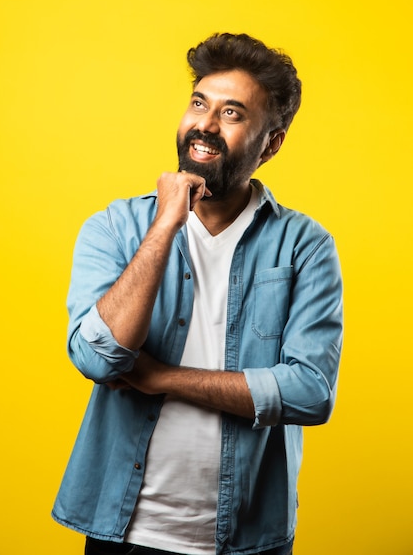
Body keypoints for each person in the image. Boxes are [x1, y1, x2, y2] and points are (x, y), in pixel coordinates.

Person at [52, 33, 343, 555]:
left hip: (250, 535)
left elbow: (310, 392)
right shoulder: (117, 227)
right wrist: (165, 225)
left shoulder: (305, 245)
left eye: (232, 113)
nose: (205, 124)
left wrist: (158, 376)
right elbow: (98, 358)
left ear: (271, 143)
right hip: (123, 529)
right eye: (198, 103)